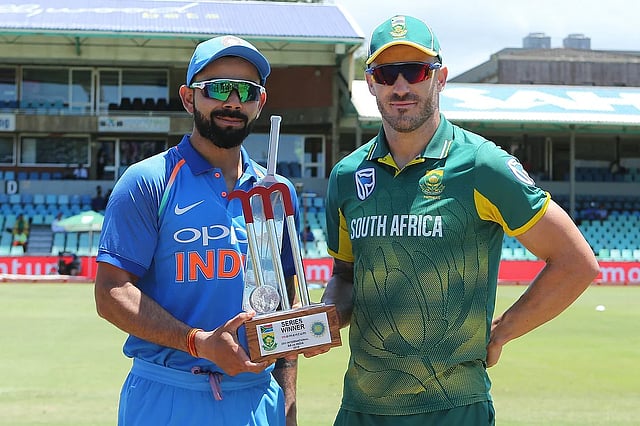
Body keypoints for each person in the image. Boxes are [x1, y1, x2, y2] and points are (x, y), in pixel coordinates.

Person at [319, 15, 600, 426]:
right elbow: (346, 276)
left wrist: (502, 330)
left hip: (454, 409)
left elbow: (575, 262)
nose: (401, 86)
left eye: (415, 71)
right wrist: (318, 321)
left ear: (441, 78)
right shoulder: (347, 175)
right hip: (361, 409)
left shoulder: (483, 165)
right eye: (386, 73)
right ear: (371, 82)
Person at [94, 35, 302, 426]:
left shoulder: (277, 192)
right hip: (168, 396)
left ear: (260, 102)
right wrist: (198, 342)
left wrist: (288, 408)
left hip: (258, 399)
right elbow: (110, 293)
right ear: (189, 98)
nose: (233, 102)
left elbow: (285, 302)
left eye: (246, 91)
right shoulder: (148, 181)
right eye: (219, 89)